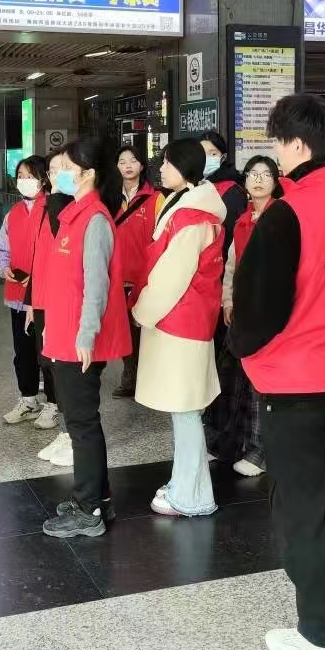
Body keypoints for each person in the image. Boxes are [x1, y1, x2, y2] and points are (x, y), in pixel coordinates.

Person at [229, 94, 325, 650]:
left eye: (277, 142)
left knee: (303, 510)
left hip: (296, 383)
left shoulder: (287, 215)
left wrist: (241, 350)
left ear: (296, 145)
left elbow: (257, 310)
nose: (275, 153)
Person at [40, 137, 131, 539]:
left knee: (82, 424)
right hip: (64, 334)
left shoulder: (94, 219)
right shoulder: (73, 215)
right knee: (80, 421)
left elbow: (97, 284)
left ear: (88, 173)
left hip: (78, 340)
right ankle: (99, 498)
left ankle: (88, 508)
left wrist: (86, 334)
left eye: (66, 166)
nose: (59, 173)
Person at [133, 138, 225, 518]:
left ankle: (192, 496)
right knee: (184, 411)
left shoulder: (191, 217)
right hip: (188, 321)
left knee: (185, 413)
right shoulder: (193, 207)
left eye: (167, 163)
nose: (161, 169)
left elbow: (171, 277)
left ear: (184, 167)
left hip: (178, 323)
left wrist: (142, 310)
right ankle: (186, 485)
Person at [221, 155, 282, 477]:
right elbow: (232, 265)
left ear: (276, 180)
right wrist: (227, 300)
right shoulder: (243, 220)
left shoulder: (281, 217)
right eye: (253, 174)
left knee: (264, 381)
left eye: (265, 174)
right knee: (243, 379)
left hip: (269, 312)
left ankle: (262, 449)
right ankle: (244, 440)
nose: (258, 179)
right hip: (245, 310)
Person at [0, 156, 60, 430]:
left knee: (47, 353)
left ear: (43, 179)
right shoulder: (14, 212)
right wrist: (4, 267)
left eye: (29, 176)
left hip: (45, 298)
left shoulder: (54, 209)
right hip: (18, 297)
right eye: (20, 176)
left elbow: (59, 253)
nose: (23, 181)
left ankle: (54, 404)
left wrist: (40, 278)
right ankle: (29, 399)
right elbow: (2, 248)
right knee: (22, 352)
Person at [199, 131, 249, 461]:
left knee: (223, 359)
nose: (207, 158)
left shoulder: (231, 191)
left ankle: (224, 428)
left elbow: (227, 244)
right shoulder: (203, 187)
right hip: (208, 285)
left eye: (212, 152)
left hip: (219, 284)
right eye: (201, 152)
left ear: (223, 155)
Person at [27, 149, 77, 468]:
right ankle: (65, 430)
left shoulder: (72, 207)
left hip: (64, 300)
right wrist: (32, 301)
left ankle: (73, 435)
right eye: (53, 170)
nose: (57, 175)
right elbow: (40, 256)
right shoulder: (48, 205)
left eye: (64, 168)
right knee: (49, 364)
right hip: (44, 297)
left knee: (67, 369)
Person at [113, 146, 158, 398]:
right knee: (125, 330)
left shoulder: (156, 198)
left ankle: (148, 377)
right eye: (122, 161)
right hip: (119, 277)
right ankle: (130, 376)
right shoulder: (110, 199)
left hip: (146, 277)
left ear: (142, 165)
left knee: (146, 328)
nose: (128, 165)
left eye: (133, 160)